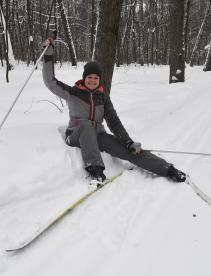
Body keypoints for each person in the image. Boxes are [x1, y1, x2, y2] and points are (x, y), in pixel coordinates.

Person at [42, 38, 186, 186]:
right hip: (75, 135)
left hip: (98, 136)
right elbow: (50, 81)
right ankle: (95, 170)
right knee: (86, 125)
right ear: (84, 78)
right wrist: (49, 53)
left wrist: (128, 142)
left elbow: (114, 122)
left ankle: (167, 169)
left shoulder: (103, 98)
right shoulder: (73, 93)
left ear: (100, 80)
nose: (92, 80)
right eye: (89, 77)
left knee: (129, 150)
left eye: (96, 78)